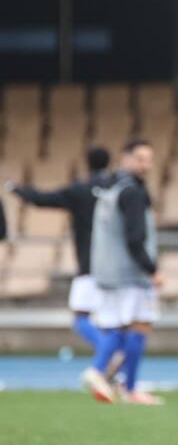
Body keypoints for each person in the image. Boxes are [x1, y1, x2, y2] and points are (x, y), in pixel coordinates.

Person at [7, 146, 113, 352]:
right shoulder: (118, 189)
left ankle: (108, 353)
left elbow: (42, 199)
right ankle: (112, 358)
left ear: (87, 163)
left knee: (81, 317)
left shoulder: (79, 190)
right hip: (117, 265)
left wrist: (16, 188)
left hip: (89, 263)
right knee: (115, 320)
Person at [83, 139, 161, 406]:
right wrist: (152, 270)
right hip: (129, 273)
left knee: (121, 325)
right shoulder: (132, 192)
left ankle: (115, 379)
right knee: (139, 324)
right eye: (140, 159)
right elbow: (135, 238)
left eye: (149, 160)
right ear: (124, 158)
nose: (146, 165)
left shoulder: (110, 188)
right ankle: (107, 375)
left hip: (109, 271)